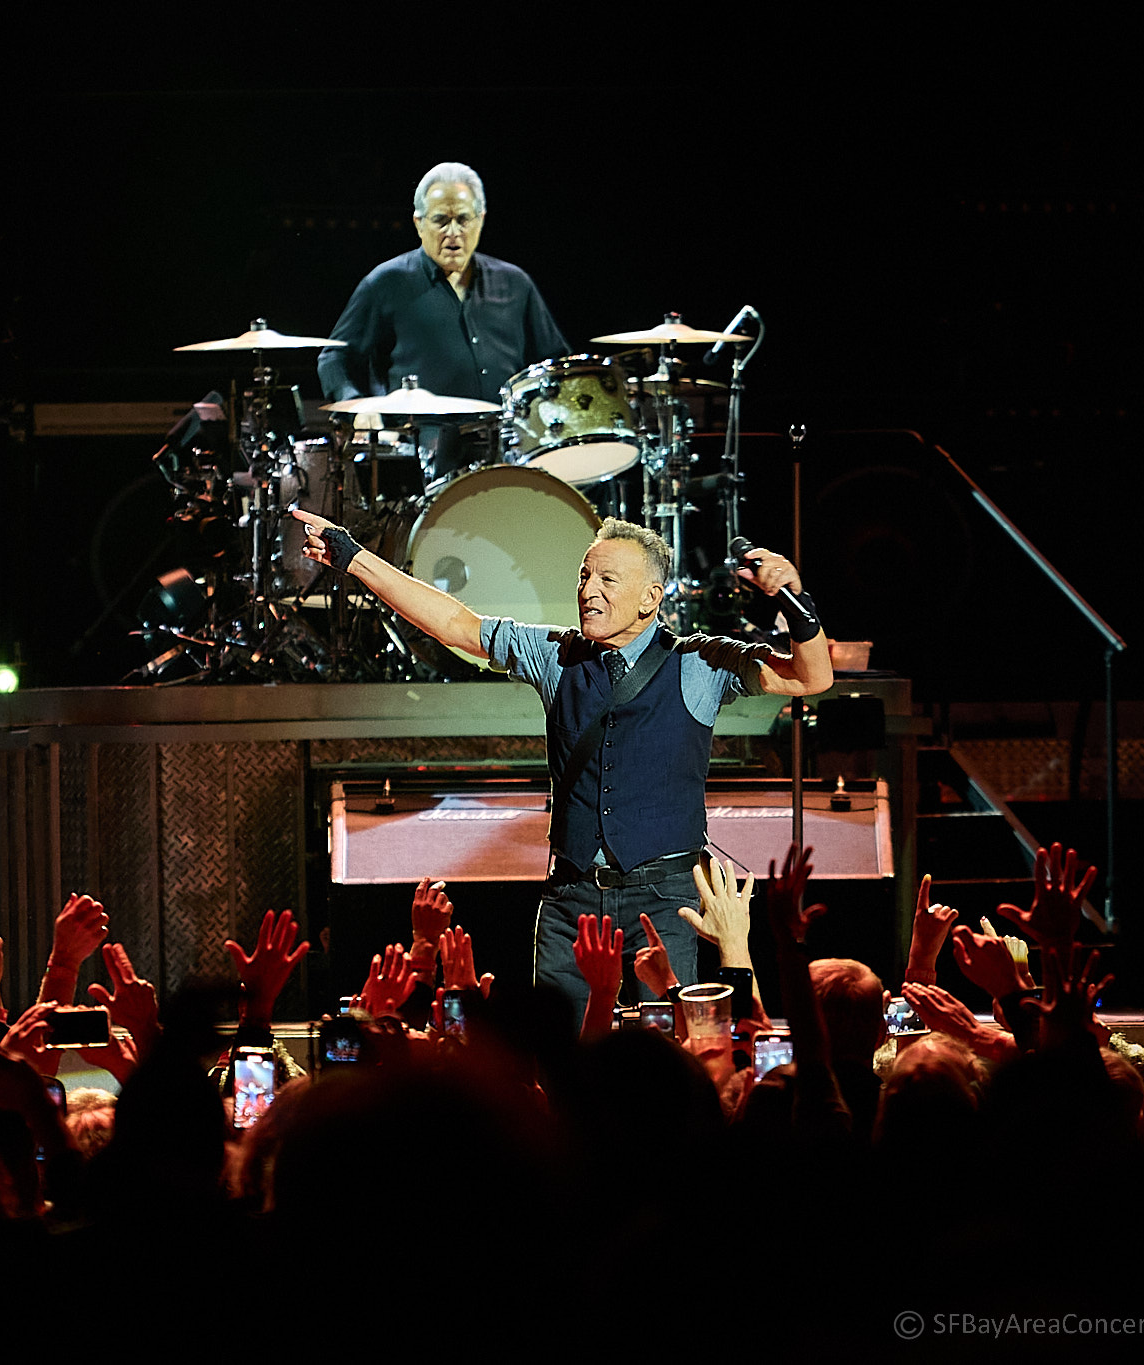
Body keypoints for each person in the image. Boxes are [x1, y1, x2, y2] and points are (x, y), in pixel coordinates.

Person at [291, 508, 831, 1019]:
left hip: (666, 899)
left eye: (607, 580)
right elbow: (456, 624)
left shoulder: (701, 661)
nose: (587, 591)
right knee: (559, 1056)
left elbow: (812, 678)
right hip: (571, 898)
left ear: (650, 598)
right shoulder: (558, 656)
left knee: (669, 1052)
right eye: (583, 576)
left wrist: (793, 599)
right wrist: (353, 557)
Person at [316, 161, 567, 479]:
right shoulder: (386, 282)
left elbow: (556, 364)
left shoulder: (515, 284)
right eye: (440, 221)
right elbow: (334, 357)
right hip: (421, 462)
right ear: (419, 223)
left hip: (509, 453)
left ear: (481, 221)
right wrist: (357, 406)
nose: (453, 233)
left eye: (463, 220)